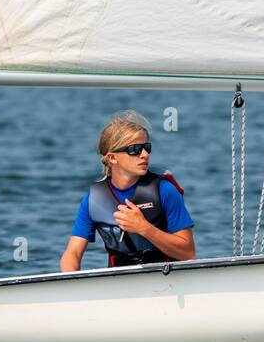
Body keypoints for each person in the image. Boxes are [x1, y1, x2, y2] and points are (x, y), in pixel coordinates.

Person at [59, 111, 196, 271]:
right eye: (135, 150)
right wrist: (73, 286)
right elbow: (72, 253)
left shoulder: (164, 191)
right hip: (119, 283)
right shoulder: (93, 200)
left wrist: (144, 228)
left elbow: (188, 253)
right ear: (112, 158)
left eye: (147, 147)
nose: (144, 155)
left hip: (166, 279)